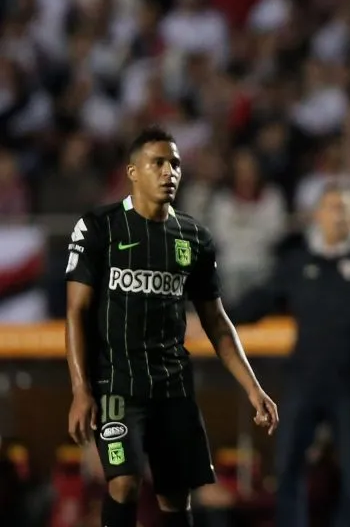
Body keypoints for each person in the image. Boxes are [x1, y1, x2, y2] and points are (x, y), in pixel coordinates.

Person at [64, 126, 279, 527]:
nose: (169, 172)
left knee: (176, 497)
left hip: (173, 388)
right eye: (158, 163)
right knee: (124, 482)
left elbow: (216, 321)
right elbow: (76, 312)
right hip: (116, 387)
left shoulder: (194, 237)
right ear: (133, 171)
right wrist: (80, 390)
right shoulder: (99, 228)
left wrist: (254, 388)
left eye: (175, 164)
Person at [231, 184, 350, 527]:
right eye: (331, 207)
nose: (338, 215)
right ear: (317, 214)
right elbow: (258, 302)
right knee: (287, 466)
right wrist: (212, 317)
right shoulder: (298, 263)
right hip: (303, 379)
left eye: (344, 208)